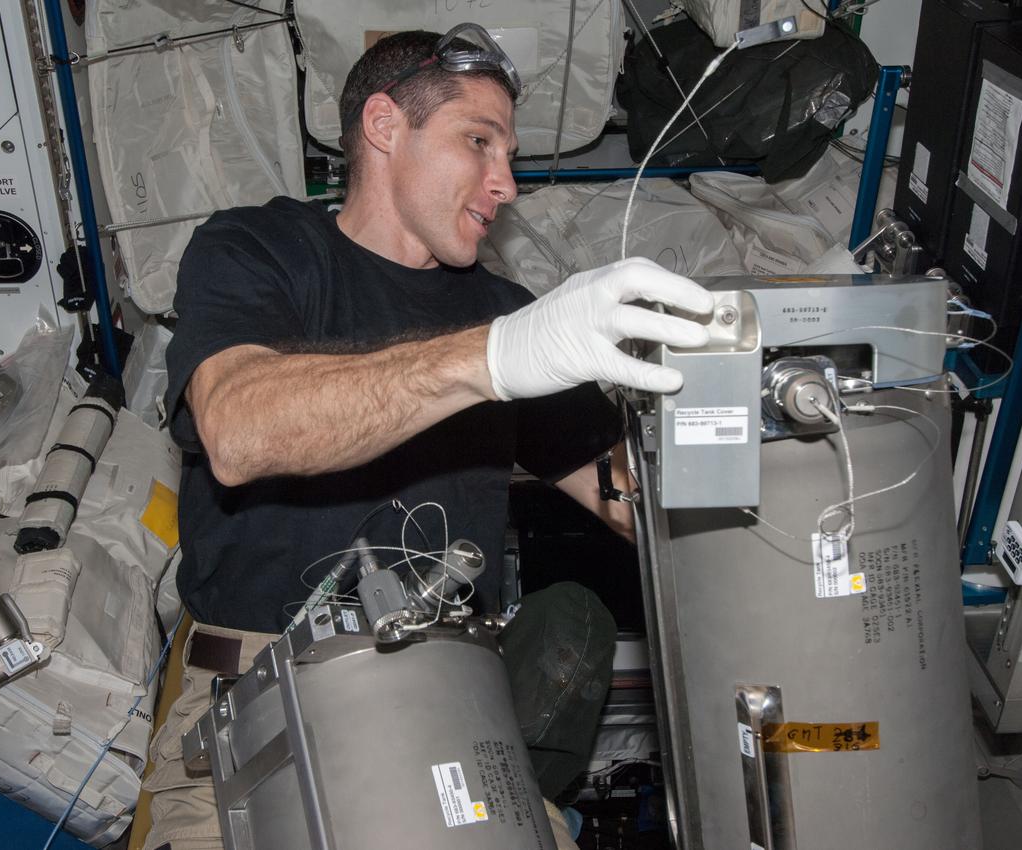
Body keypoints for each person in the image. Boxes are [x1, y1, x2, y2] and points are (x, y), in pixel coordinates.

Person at [143, 25, 713, 850]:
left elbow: (634, 499)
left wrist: (749, 436)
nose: (505, 182)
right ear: (384, 126)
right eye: (479, 141)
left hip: (454, 705)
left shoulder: (503, 312)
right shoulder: (261, 250)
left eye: (510, 155)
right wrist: (490, 361)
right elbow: (239, 431)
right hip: (257, 717)